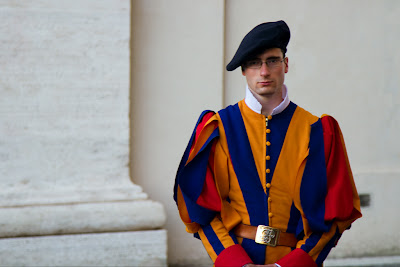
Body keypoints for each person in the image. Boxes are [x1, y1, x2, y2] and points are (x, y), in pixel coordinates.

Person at [173, 20, 362, 267]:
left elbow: (336, 214)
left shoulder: (319, 131)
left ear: (285, 64)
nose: (264, 71)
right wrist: (237, 263)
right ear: (244, 70)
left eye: (272, 60)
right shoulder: (217, 128)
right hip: (237, 257)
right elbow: (202, 209)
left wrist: (290, 265)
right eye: (254, 63)